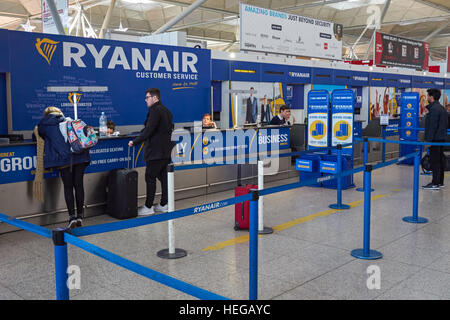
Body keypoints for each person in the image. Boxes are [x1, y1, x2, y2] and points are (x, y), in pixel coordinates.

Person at [34, 106, 90, 229]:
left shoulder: (43, 124)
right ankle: (80, 216)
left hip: (64, 159)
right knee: (79, 185)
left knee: (68, 187)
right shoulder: (68, 120)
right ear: (59, 113)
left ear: (46, 114)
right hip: (80, 156)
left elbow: (37, 136)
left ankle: (72, 218)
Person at [128, 88, 173, 215]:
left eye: (147, 97)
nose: (145, 100)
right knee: (164, 178)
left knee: (150, 177)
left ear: (155, 98)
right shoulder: (167, 111)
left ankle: (148, 207)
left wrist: (134, 141)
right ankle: (164, 204)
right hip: (166, 151)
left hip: (155, 151)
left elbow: (149, 130)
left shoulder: (154, 110)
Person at [422, 89, 448, 190]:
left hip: (435, 140)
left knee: (435, 161)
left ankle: (435, 183)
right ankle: (440, 182)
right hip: (441, 139)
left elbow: (432, 126)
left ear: (431, 97)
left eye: (428, 96)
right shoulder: (442, 108)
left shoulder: (434, 110)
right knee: (440, 160)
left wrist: (428, 140)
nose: (427, 98)